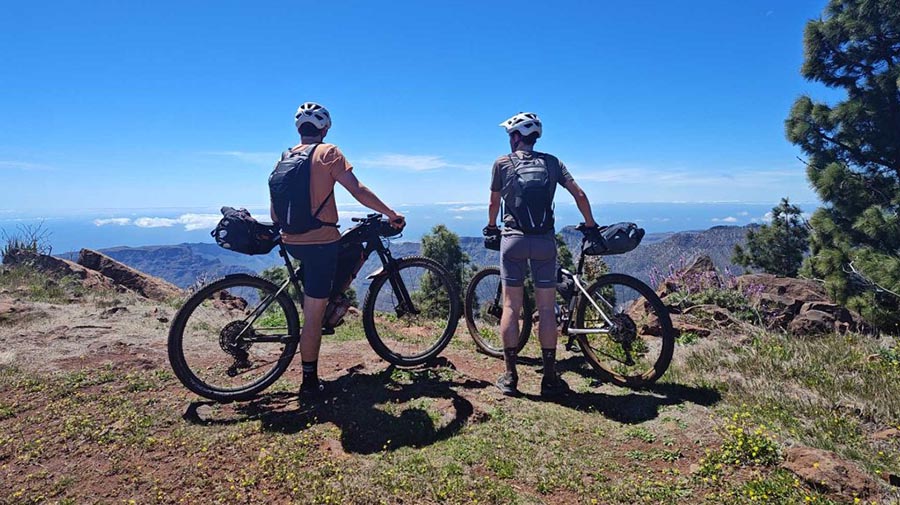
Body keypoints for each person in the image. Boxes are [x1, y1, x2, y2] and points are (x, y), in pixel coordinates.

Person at [271, 102, 405, 398]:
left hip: (291, 240)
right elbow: (356, 190)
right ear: (326, 128)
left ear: (298, 129)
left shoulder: (286, 157)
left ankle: (331, 306)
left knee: (326, 284)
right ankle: (308, 383)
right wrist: (390, 212)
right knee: (313, 316)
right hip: (319, 243)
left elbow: (275, 210)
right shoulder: (328, 152)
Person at [486, 112, 597, 397]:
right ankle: (549, 378)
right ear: (534, 137)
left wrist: (490, 227)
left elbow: (494, 202)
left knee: (511, 306)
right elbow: (580, 194)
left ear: (515, 137)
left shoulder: (501, 163)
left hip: (514, 241)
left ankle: (510, 377)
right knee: (547, 309)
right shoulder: (553, 162)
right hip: (545, 242)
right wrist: (590, 223)